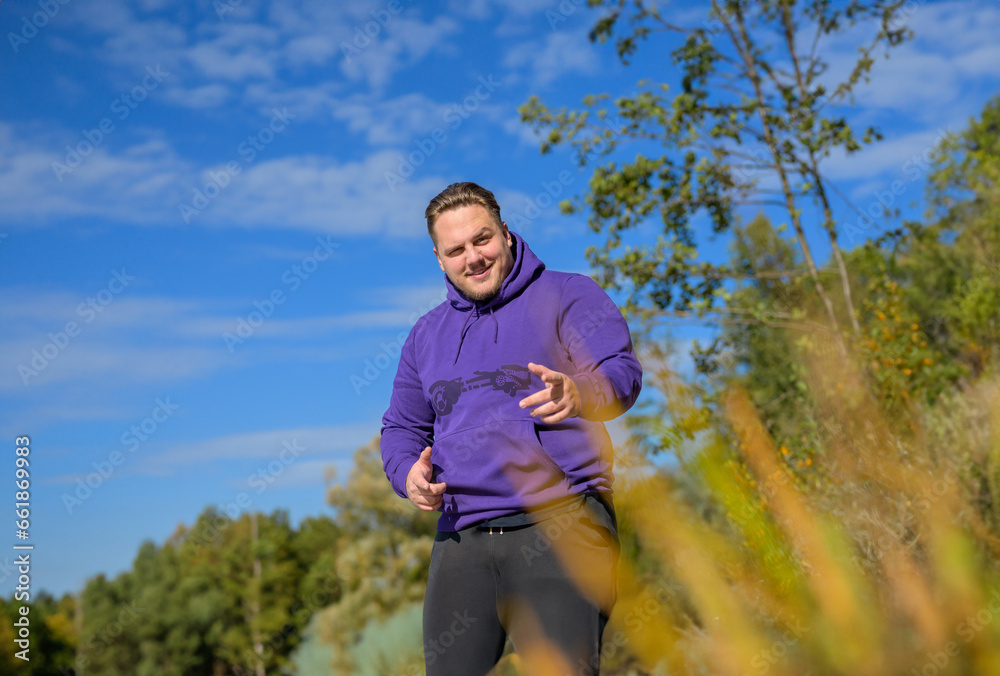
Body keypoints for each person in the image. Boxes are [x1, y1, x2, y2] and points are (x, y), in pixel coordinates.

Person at [380, 182, 642, 675]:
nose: (473, 258)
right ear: (439, 259)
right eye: (455, 250)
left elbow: (621, 373)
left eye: (482, 240)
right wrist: (405, 476)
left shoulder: (568, 293)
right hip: (461, 538)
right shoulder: (425, 335)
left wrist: (579, 393)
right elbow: (401, 428)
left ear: (505, 232)